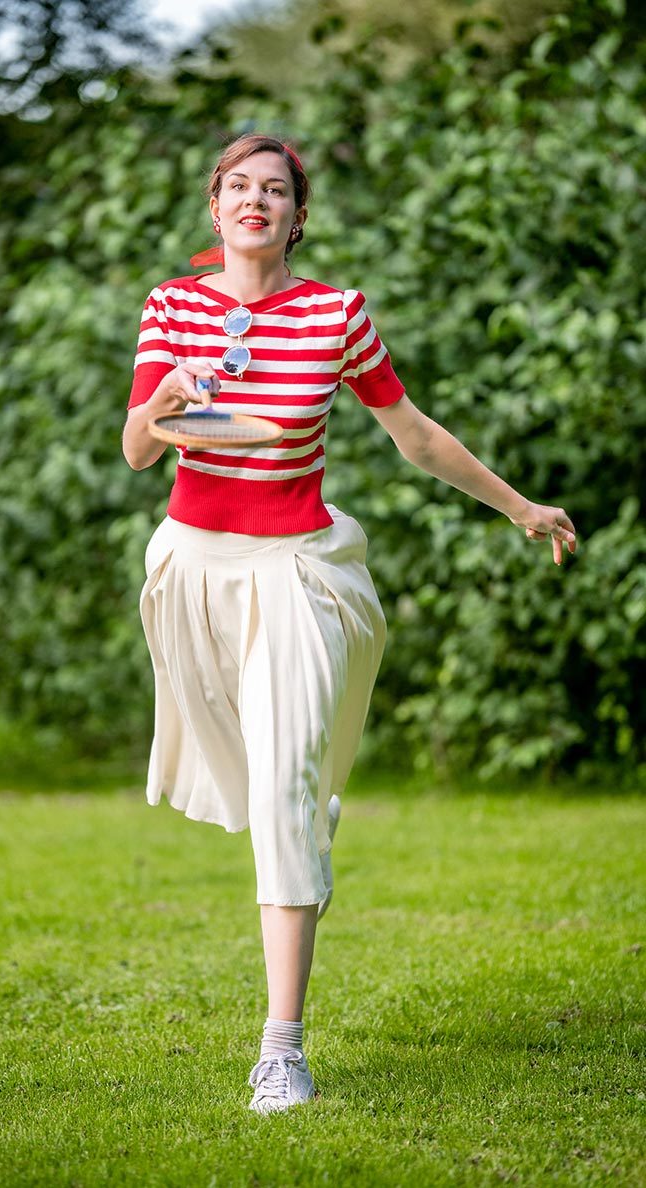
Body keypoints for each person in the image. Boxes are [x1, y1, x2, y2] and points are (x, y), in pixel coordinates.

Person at [122, 133, 576, 1115]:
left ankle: (280, 1049)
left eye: (274, 189)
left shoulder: (336, 314)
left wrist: (519, 507)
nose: (256, 200)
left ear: (297, 215)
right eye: (238, 187)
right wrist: (160, 404)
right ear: (215, 209)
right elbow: (136, 453)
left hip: (293, 567)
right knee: (253, 781)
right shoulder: (173, 305)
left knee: (284, 788)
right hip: (193, 569)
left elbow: (413, 434)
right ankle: (305, 824)